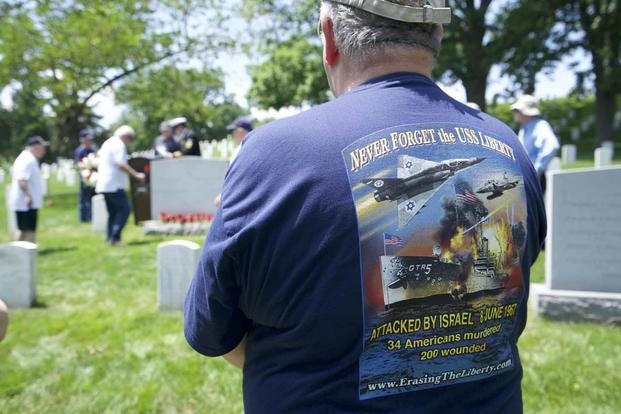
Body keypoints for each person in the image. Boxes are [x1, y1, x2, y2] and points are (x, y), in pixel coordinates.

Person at [184, 1, 546, 413]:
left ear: (329, 36)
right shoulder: (509, 147)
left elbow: (216, 331)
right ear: (437, 34)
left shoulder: (272, 154)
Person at [95, 125, 145, 246]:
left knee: (113, 212)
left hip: (104, 184)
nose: (130, 142)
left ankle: (110, 237)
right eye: (130, 138)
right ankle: (115, 238)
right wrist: (136, 175)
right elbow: (121, 164)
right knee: (125, 210)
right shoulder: (119, 144)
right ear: (126, 136)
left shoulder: (108, 142)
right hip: (113, 184)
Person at [511, 94, 560, 193]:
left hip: (534, 178)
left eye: (517, 110)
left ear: (524, 112)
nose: (514, 113)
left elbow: (552, 145)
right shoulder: (524, 128)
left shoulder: (540, 126)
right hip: (525, 177)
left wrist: (537, 169)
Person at [8, 136, 48, 243]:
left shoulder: (27, 158)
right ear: (35, 147)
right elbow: (22, 179)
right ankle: (22, 251)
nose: (44, 150)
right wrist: (28, 195)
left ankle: (25, 252)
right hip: (25, 201)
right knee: (26, 230)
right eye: (42, 147)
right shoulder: (28, 159)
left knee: (27, 229)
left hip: (27, 201)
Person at [74, 129, 98, 222]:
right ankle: (84, 218)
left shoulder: (92, 149)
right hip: (85, 177)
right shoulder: (80, 151)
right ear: (82, 140)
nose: (90, 141)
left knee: (94, 198)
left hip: (94, 177)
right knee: (84, 199)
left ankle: (93, 216)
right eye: (88, 139)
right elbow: (80, 165)